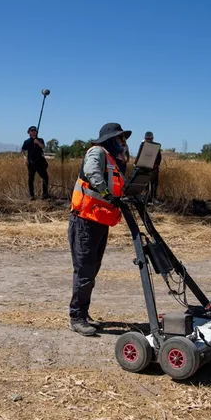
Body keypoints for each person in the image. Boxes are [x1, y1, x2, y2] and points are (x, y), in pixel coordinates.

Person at [68, 122, 131, 336]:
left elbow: (122, 185)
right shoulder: (97, 152)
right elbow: (92, 172)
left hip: (100, 221)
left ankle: (83, 314)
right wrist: (106, 193)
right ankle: (76, 317)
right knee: (85, 271)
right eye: (121, 139)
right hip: (85, 220)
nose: (123, 143)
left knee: (92, 270)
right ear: (110, 139)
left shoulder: (114, 161)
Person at [21, 125, 50, 200]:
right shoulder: (26, 142)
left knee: (45, 177)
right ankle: (31, 195)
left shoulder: (40, 140)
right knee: (31, 179)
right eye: (32, 130)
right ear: (29, 132)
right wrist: (25, 159)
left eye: (35, 130)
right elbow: (23, 151)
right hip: (31, 163)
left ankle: (45, 194)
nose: (34, 132)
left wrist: (38, 143)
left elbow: (43, 147)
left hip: (40, 162)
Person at [136, 131, 163, 200]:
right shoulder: (142, 145)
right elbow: (139, 155)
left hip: (154, 168)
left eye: (150, 139)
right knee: (145, 183)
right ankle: (146, 198)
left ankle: (153, 198)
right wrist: (137, 163)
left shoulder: (156, 146)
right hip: (145, 167)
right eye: (147, 139)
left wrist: (156, 165)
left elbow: (159, 157)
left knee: (154, 184)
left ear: (152, 138)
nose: (149, 140)